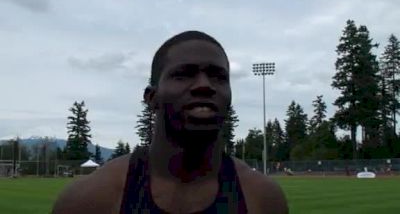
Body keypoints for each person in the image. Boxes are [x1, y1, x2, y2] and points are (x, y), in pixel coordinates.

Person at [52, 31, 288, 214]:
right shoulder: (90, 200)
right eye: (184, 74)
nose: (204, 85)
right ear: (151, 98)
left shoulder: (263, 198)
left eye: (218, 76)